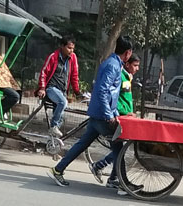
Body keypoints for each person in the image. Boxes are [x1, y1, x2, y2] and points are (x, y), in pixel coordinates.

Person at [47, 35, 133, 187]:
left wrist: (113, 113)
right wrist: (109, 115)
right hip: (102, 115)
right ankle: (122, 182)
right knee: (118, 147)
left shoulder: (111, 63)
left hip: (97, 112)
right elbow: (102, 91)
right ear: (128, 53)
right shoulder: (113, 66)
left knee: (82, 144)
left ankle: (58, 169)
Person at [89, 54, 140, 185]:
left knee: (119, 149)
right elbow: (114, 98)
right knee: (119, 149)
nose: (137, 68)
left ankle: (112, 177)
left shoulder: (127, 77)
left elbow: (126, 98)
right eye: (135, 65)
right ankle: (112, 175)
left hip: (125, 116)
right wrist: (124, 112)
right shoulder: (120, 74)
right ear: (127, 64)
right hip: (119, 117)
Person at [36, 36, 80, 137]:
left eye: (73, 48)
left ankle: (52, 144)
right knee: (63, 102)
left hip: (62, 91)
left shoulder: (73, 58)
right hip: (51, 88)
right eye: (69, 48)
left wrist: (77, 91)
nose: (71, 51)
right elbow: (44, 72)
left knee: (60, 116)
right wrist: (42, 88)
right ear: (62, 46)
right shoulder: (53, 56)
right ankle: (53, 126)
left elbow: (74, 75)